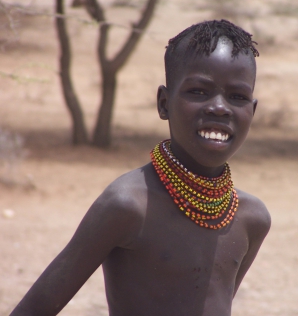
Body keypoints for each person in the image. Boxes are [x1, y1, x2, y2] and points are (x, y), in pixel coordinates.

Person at [11, 19, 271, 316]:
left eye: (237, 97)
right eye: (198, 91)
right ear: (163, 103)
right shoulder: (127, 205)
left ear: (252, 111)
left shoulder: (252, 219)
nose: (219, 108)